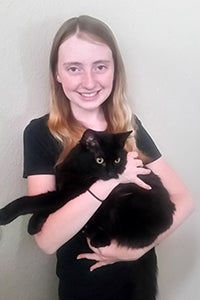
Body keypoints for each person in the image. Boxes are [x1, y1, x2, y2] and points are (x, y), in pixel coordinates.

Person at [23, 15, 194, 300]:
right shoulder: (41, 133)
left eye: (100, 66)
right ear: (57, 73)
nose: (89, 81)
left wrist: (134, 250)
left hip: (138, 282)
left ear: (115, 70)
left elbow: (185, 199)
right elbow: (46, 240)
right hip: (85, 287)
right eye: (74, 68)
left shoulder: (128, 126)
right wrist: (112, 181)